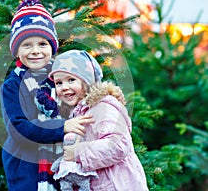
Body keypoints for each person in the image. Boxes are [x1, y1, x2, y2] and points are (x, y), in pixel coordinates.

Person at [0, 0, 94, 191]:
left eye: (42, 44)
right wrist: (63, 127)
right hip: (26, 170)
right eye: (27, 45)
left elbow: (85, 100)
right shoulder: (12, 86)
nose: (35, 51)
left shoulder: (63, 76)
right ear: (16, 51)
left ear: (52, 47)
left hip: (63, 162)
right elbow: (19, 129)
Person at [48, 49, 149, 191]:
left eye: (71, 80)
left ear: (87, 81)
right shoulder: (76, 113)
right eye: (59, 83)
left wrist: (77, 153)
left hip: (118, 185)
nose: (64, 87)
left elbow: (118, 145)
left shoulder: (103, 107)